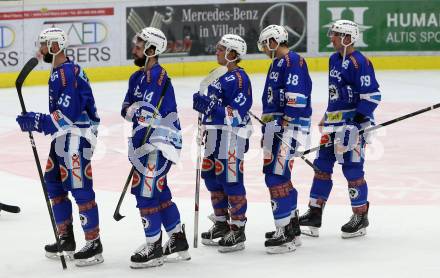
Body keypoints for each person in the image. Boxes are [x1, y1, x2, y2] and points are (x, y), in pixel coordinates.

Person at [16, 28, 103, 266]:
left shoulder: (68, 73)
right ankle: (66, 238)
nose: (41, 49)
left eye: (44, 45)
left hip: (77, 134)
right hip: (63, 136)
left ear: (55, 46)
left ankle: (94, 243)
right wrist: (38, 120)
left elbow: (68, 115)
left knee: (79, 186)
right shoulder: (58, 72)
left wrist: (38, 121)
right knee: (53, 182)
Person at [299, 20, 381, 239]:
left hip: (353, 126)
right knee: (321, 166)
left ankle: (360, 215)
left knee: (352, 168)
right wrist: (328, 114)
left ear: (347, 38)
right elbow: (336, 93)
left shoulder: (360, 62)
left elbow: (372, 96)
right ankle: (315, 213)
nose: (331, 38)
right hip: (334, 124)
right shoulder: (334, 59)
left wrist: (356, 123)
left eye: (335, 34)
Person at [121, 27, 190, 268]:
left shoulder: (160, 77)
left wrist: (138, 112)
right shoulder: (136, 78)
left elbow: (147, 113)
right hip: (144, 144)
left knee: (145, 193)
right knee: (158, 192)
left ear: (152, 50)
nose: (134, 50)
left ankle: (154, 247)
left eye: (139, 47)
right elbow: (127, 110)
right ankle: (177, 239)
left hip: (160, 144)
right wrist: (137, 112)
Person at [192, 34, 252, 253]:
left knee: (231, 179)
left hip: (231, 136)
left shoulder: (239, 79)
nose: (217, 51)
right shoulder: (219, 76)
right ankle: (220, 223)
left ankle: (237, 228)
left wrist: (209, 106)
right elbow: (212, 108)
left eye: (221, 48)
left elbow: (235, 115)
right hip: (214, 135)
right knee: (211, 177)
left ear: (233, 54)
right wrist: (202, 106)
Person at [257, 25, 312, 253]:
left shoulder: (293, 61)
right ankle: (291, 227)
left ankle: (285, 234)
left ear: (274, 41)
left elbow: (296, 98)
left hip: (287, 129)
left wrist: (286, 125)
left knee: (276, 178)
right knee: (277, 175)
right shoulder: (276, 63)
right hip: (275, 129)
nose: (263, 48)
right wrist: (268, 130)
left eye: (265, 43)